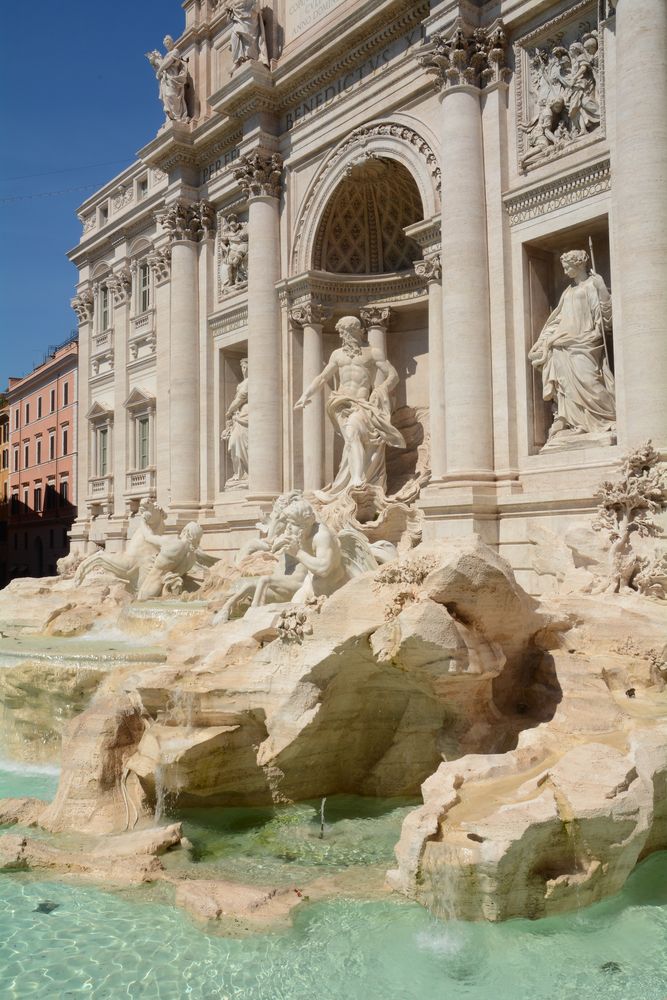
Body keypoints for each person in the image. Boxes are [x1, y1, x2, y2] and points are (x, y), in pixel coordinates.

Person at [294, 316, 405, 495]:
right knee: (352, 437)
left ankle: (355, 478)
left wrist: (381, 389)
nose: (344, 337)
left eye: (347, 332)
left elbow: (393, 375)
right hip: (340, 402)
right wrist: (306, 395)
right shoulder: (337, 355)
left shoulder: (373, 352)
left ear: (357, 331)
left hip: (362, 403)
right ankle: (355, 478)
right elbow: (323, 377)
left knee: (356, 434)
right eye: (342, 333)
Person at [529, 249, 615, 441]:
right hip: (562, 345)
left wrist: (602, 289)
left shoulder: (593, 284)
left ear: (578, 265)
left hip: (585, 342)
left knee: (590, 381)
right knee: (565, 387)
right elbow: (557, 320)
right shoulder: (568, 292)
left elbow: (604, 315)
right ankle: (573, 421)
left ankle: (606, 417)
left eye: (568, 266)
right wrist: (542, 342)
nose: (565, 270)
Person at [146, 36, 189, 122]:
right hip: (166, 79)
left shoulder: (175, 51)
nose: (167, 45)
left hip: (173, 77)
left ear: (172, 42)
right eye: (165, 44)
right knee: (165, 96)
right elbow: (162, 64)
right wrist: (154, 61)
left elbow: (168, 62)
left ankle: (178, 116)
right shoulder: (166, 55)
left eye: (168, 43)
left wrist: (160, 69)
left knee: (171, 95)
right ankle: (171, 115)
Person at [221, 359, 249, 483]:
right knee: (233, 443)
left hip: (246, 413)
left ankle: (246, 472)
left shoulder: (250, 382)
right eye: (242, 367)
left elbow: (241, 397)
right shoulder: (241, 384)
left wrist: (229, 411)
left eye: (246, 366)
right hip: (239, 415)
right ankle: (239, 473)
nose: (244, 370)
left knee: (243, 442)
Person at [224, 1, 269, 68]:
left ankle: (248, 56)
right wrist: (230, 11)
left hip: (249, 18)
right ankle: (238, 60)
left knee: (247, 36)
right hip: (238, 19)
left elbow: (255, 7)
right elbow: (228, 21)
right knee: (235, 35)